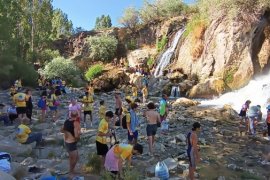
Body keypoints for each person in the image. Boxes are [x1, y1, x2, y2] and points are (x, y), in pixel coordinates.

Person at [61, 111, 81, 177]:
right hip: (72, 143)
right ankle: (71, 172)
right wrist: (78, 137)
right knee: (75, 158)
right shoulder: (76, 123)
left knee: (71, 158)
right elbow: (76, 135)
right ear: (77, 115)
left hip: (66, 141)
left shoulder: (66, 121)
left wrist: (67, 133)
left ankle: (71, 170)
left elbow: (61, 130)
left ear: (71, 115)